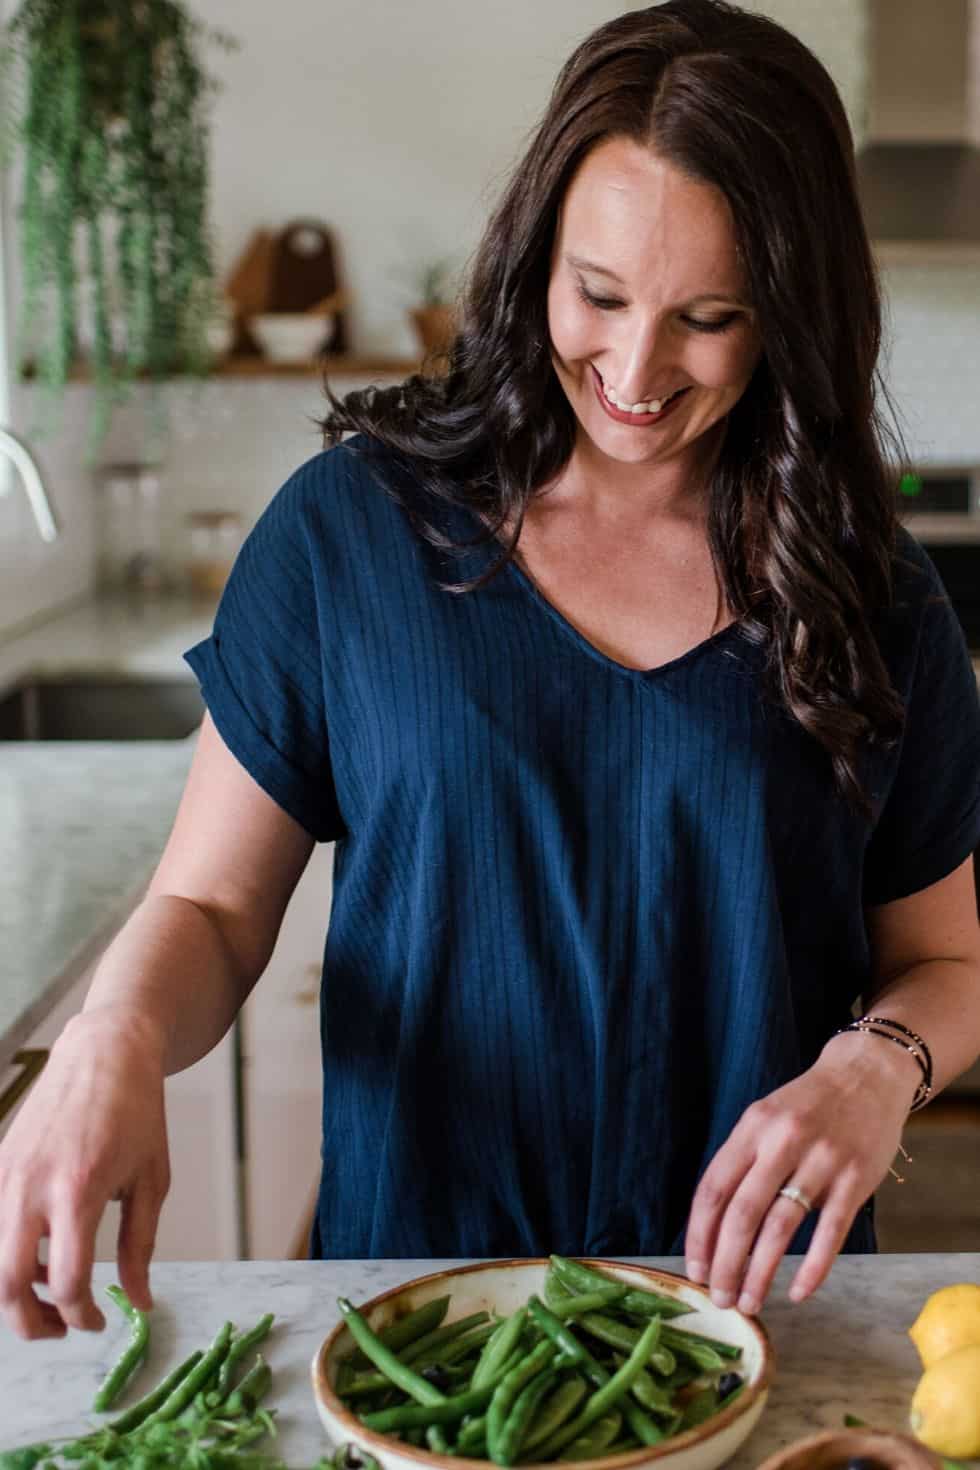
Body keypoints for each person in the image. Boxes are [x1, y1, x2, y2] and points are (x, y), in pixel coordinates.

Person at [2, 0, 979, 1344]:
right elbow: (216, 912)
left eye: (710, 315)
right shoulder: (351, 535)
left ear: (791, 318)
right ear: (533, 262)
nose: (636, 369)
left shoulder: (876, 591)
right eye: (601, 294)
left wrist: (885, 1065)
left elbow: (944, 958)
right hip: (418, 1331)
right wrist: (110, 1032)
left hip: (754, 1335)